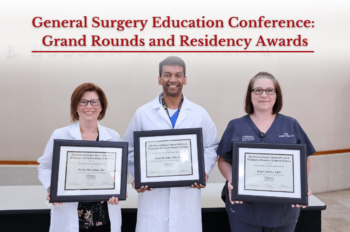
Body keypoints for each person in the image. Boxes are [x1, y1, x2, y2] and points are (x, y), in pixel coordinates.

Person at [123, 56, 219, 232]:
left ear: (185, 79)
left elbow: (212, 146)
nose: (172, 79)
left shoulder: (199, 113)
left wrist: (202, 171)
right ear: (159, 79)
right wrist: (140, 174)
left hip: (186, 202)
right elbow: (128, 149)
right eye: (167, 75)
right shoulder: (143, 113)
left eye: (178, 75)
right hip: (153, 204)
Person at [217, 72, 315, 232]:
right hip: (244, 209)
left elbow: (304, 159)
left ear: (277, 95)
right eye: (258, 90)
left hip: (283, 210)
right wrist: (231, 179)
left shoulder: (291, 124)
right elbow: (223, 160)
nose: (264, 95)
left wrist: (301, 184)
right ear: (250, 95)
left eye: (270, 90)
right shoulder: (235, 126)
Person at [37, 83, 122, 232]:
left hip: (104, 218)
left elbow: (118, 172)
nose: (89, 106)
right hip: (71, 217)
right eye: (83, 102)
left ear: (101, 107)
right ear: (76, 107)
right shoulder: (60, 135)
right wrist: (52, 188)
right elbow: (44, 167)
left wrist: (117, 189)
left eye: (94, 101)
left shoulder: (113, 136)